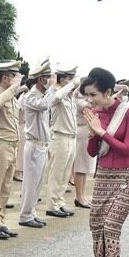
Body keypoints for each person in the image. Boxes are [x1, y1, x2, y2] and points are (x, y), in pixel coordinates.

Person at [81, 68, 129, 257]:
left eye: (93, 94)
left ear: (108, 91)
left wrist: (101, 132)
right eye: (87, 95)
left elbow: (127, 149)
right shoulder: (94, 113)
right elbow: (92, 152)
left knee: (111, 225)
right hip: (104, 175)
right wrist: (93, 135)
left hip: (128, 175)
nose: (90, 100)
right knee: (96, 225)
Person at [18, 60, 80, 228]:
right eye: (48, 77)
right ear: (40, 79)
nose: (52, 80)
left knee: (38, 183)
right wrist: (59, 86)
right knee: (30, 184)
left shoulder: (43, 95)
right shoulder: (32, 97)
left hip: (42, 144)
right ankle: (25, 215)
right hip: (33, 145)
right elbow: (46, 105)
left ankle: (31, 213)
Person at [0, 62, 25, 240]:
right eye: (14, 76)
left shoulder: (13, 98)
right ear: (5, 77)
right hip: (0, 145)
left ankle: (0, 221)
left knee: (6, 187)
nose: (17, 79)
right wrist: (15, 87)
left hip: (12, 145)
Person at [44, 66, 80, 217]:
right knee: (57, 172)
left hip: (71, 137)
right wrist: (71, 85)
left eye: (72, 78)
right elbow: (55, 98)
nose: (72, 81)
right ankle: (52, 205)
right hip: (59, 136)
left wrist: (71, 88)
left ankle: (59, 201)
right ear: (62, 79)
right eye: (68, 78)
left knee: (65, 173)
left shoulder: (70, 96)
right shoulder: (55, 91)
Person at [72, 87, 97, 209]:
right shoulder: (78, 98)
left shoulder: (87, 98)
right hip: (81, 131)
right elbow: (89, 106)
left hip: (88, 131)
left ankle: (82, 195)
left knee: (85, 168)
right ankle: (78, 196)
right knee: (80, 167)